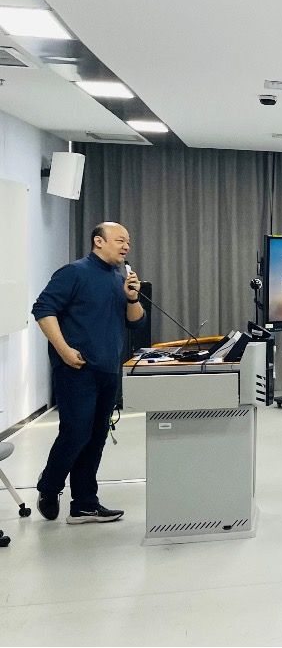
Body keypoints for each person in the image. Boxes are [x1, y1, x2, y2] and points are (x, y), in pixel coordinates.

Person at [31, 222, 145, 524]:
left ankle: (84, 504)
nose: (126, 246)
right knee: (76, 432)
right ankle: (49, 486)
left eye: (128, 242)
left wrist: (133, 298)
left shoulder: (119, 278)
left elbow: (136, 322)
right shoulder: (74, 272)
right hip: (76, 369)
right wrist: (64, 350)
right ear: (98, 241)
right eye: (120, 240)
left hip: (108, 370)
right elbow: (43, 309)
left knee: (96, 436)